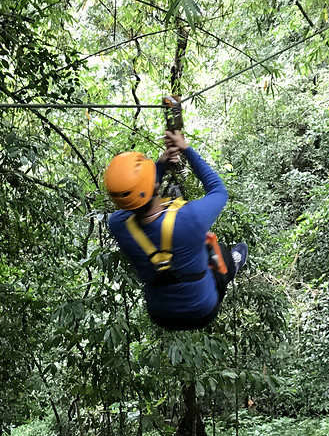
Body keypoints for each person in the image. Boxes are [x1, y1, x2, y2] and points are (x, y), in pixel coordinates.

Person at [104, 129, 248, 330]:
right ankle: (232, 265)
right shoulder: (190, 219)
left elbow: (139, 196)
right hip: (203, 311)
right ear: (155, 186)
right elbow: (219, 190)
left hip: (161, 314)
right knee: (218, 250)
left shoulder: (118, 225)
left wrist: (160, 167)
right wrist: (185, 148)